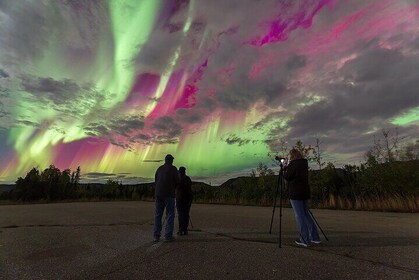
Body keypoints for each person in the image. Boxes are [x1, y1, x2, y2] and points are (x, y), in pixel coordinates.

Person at [283, 148, 321, 247]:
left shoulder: (293, 164)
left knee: (299, 216)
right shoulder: (304, 163)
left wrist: (284, 167)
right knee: (306, 214)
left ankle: (304, 239)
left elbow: (287, 176)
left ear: (292, 156)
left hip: (295, 193)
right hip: (304, 192)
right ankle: (315, 237)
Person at [153, 154, 179, 242]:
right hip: (169, 194)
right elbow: (177, 181)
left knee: (158, 215)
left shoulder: (159, 169)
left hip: (158, 194)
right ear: (171, 160)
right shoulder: (173, 169)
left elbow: (156, 180)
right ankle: (168, 235)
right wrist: (173, 188)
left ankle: (156, 235)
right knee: (170, 214)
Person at [176, 166, 193, 235]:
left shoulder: (178, 179)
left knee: (181, 214)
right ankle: (185, 229)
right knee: (186, 214)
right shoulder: (188, 179)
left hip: (180, 199)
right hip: (188, 199)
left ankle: (181, 229)